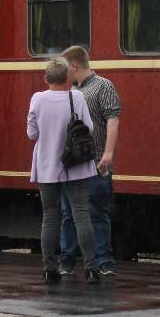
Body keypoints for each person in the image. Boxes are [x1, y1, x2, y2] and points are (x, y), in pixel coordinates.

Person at [28, 58, 99, 284]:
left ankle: (49, 269)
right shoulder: (76, 97)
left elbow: (32, 134)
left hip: (47, 166)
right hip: (75, 165)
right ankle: (91, 269)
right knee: (81, 215)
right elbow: (89, 127)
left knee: (50, 217)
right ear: (68, 78)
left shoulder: (37, 99)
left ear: (46, 78)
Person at [59, 45, 121, 277]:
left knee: (96, 212)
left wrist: (108, 153)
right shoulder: (71, 91)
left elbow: (113, 119)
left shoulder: (103, 86)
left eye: (67, 69)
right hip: (73, 164)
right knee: (69, 213)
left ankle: (103, 260)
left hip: (96, 162)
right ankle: (68, 258)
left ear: (74, 66)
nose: (66, 74)